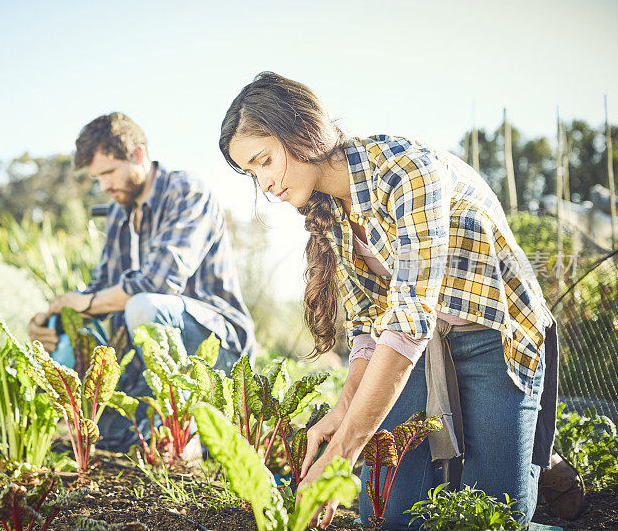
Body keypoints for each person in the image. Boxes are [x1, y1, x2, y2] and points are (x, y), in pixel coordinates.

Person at [219, 72, 558, 530]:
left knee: (494, 514)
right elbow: (367, 326)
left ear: (300, 130)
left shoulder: (406, 170)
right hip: (418, 350)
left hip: (494, 335)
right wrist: (339, 418)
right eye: (251, 172)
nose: (264, 184)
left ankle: (545, 469)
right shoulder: (329, 209)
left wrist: (341, 457)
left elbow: (407, 324)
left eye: (264, 161)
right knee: (394, 513)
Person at [29, 111, 255, 451]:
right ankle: (152, 431)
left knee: (143, 305)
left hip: (217, 350)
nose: (103, 186)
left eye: (108, 172)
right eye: (97, 177)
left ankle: (184, 436)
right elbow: (99, 288)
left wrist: (85, 303)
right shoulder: (119, 212)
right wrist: (53, 316)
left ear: (138, 154)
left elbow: (159, 283)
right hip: (151, 360)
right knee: (97, 422)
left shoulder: (187, 191)